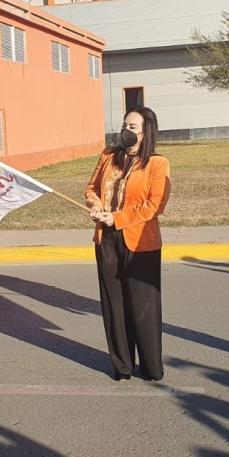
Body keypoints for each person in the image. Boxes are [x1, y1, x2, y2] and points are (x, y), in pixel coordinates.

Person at [85, 107, 171, 382]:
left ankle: (150, 366)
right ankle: (122, 365)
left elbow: (155, 205)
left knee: (143, 306)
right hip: (106, 238)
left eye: (133, 127)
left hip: (140, 241)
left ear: (146, 132)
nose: (126, 131)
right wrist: (96, 205)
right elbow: (92, 188)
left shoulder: (157, 163)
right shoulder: (109, 156)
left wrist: (118, 217)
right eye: (125, 125)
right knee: (114, 304)